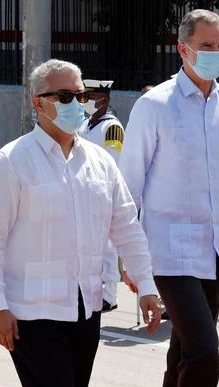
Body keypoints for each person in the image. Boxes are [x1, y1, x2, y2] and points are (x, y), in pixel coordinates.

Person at [0, 59, 161, 387]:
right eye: (64, 96)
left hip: (87, 307)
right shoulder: (10, 163)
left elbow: (126, 227)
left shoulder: (100, 161)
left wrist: (146, 284)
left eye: (81, 94)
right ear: (38, 103)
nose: (77, 104)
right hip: (32, 313)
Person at [119, 10, 219, 387]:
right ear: (183, 49)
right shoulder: (155, 106)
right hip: (168, 252)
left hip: (215, 252)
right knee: (206, 351)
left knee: (184, 351)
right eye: (206, 45)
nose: (216, 53)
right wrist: (128, 259)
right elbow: (128, 190)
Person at [80, 79, 125, 312]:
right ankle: (96, 291)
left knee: (108, 247)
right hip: (83, 192)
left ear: (104, 100)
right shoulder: (85, 124)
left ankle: (110, 295)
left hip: (102, 193)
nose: (85, 102)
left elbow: (113, 163)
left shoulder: (112, 128)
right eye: (84, 97)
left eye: (90, 97)